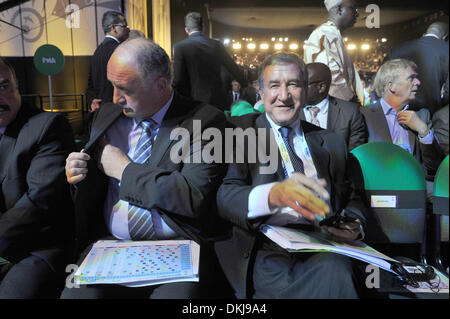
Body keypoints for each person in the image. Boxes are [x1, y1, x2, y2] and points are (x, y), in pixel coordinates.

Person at [62, 38, 228, 299]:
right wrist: (76, 174)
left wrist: (124, 170)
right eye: (111, 85)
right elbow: (89, 188)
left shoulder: (205, 121)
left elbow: (192, 196)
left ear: (161, 85)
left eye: (124, 89)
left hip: (177, 247)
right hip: (110, 246)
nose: (115, 98)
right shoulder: (106, 116)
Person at [215, 52, 367, 299]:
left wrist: (355, 224)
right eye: (275, 85)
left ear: (305, 91)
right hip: (263, 247)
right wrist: (274, 195)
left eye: (293, 85)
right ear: (261, 92)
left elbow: (352, 197)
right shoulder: (237, 132)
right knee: (335, 275)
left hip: (323, 243)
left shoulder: (332, 142)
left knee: (338, 269)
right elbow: (224, 195)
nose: (283, 96)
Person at [0, 57, 75, 298]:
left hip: (38, 247)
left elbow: (38, 202)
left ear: (16, 85)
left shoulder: (48, 126)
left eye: (3, 86)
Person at [361, 59, 444, 184]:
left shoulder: (422, 114)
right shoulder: (363, 115)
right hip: (378, 185)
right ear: (391, 86)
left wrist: (424, 132)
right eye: (411, 78)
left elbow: (434, 166)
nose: (418, 82)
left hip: (416, 185)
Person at [173, 12, 247, 111]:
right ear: (203, 27)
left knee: (197, 126)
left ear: (186, 29)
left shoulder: (180, 47)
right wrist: (245, 84)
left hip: (194, 102)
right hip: (218, 100)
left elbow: (178, 80)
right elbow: (232, 67)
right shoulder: (217, 45)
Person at [304, 0, 365, 105]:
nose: (357, 13)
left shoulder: (334, 33)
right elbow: (330, 75)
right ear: (340, 9)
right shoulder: (325, 34)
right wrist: (350, 100)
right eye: (352, 8)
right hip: (337, 106)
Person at [384, 22, 449, 115]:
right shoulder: (446, 49)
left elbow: (382, 82)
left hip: (396, 113)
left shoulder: (396, 50)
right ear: (445, 37)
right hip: (431, 114)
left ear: (424, 34)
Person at [302, 62, 366, 150]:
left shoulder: (350, 113)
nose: (298, 88)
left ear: (321, 87)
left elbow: (354, 155)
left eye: (303, 83)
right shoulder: (290, 111)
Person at [85, 11, 130, 113]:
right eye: (124, 25)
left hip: (102, 112)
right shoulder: (121, 50)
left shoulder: (97, 51)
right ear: (113, 27)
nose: (128, 29)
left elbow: (90, 85)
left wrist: (92, 100)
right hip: (119, 111)